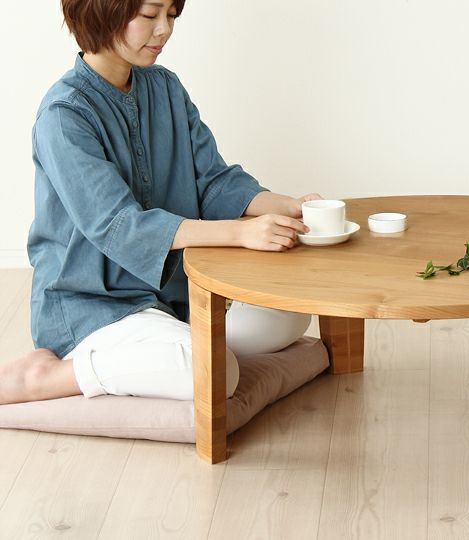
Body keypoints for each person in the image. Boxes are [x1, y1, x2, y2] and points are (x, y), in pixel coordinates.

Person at [0, 0, 317, 405]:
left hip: (173, 298)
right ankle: (48, 376)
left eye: (172, 15)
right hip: (95, 308)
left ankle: (165, 350)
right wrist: (241, 233)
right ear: (102, 11)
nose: (164, 29)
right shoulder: (64, 115)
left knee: (289, 315)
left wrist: (289, 207)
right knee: (216, 374)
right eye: (150, 15)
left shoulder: (166, 87)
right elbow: (119, 225)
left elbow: (213, 180)